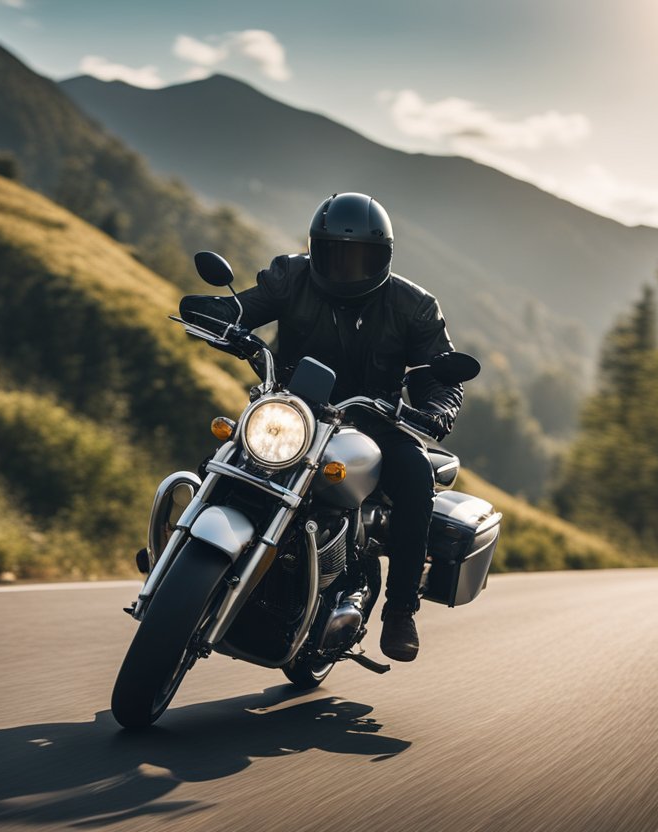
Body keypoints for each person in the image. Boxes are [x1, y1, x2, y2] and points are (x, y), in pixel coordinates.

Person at [180, 192, 463, 662]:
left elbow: (438, 377)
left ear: (384, 257)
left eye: (360, 257)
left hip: (374, 426)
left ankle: (399, 611)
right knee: (230, 452)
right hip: (295, 412)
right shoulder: (291, 276)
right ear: (316, 248)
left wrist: (436, 410)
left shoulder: (413, 306)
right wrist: (217, 317)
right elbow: (244, 308)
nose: (346, 267)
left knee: (415, 479)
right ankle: (184, 547)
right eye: (334, 253)